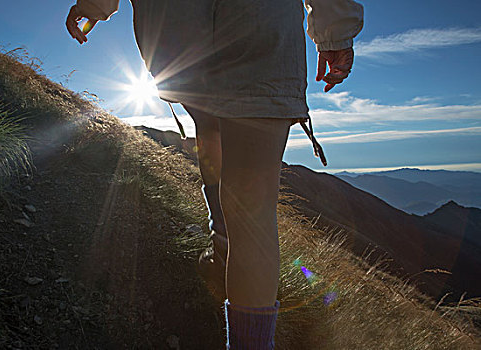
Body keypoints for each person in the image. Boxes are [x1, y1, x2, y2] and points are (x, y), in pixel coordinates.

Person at [66, 0, 363, 348]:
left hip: (174, 25)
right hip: (259, 19)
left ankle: (222, 246)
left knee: (208, 124)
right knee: (251, 208)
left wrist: (94, 4)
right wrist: (335, 32)